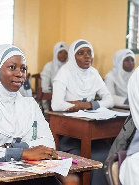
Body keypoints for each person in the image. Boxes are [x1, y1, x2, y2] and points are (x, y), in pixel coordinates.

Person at [0, 44, 60, 184]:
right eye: (12, 67)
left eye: (23, 69)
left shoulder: (30, 104)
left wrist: (11, 148)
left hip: (30, 171)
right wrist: (24, 153)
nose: (19, 73)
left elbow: (49, 143)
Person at [51, 39, 114, 185]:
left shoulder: (93, 72)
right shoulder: (64, 72)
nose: (87, 57)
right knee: (97, 156)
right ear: (73, 57)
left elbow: (109, 100)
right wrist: (88, 106)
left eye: (89, 52)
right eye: (80, 53)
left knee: (110, 152)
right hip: (70, 133)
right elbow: (56, 105)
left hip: (92, 131)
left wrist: (85, 104)